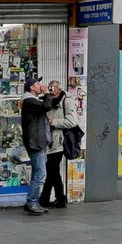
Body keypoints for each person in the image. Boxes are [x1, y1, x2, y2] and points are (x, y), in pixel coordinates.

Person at [20, 79, 58, 214]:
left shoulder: (32, 101)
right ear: (31, 87)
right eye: (37, 84)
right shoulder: (29, 101)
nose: (40, 86)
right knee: (41, 174)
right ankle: (31, 202)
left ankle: (33, 202)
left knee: (38, 173)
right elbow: (46, 106)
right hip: (35, 143)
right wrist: (47, 93)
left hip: (38, 141)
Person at [40, 80, 76, 209]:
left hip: (59, 142)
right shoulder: (48, 100)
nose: (51, 91)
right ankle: (61, 199)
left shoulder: (67, 101)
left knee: (51, 170)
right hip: (49, 142)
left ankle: (44, 199)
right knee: (53, 171)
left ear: (59, 89)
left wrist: (53, 122)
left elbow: (72, 121)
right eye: (49, 89)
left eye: (53, 89)